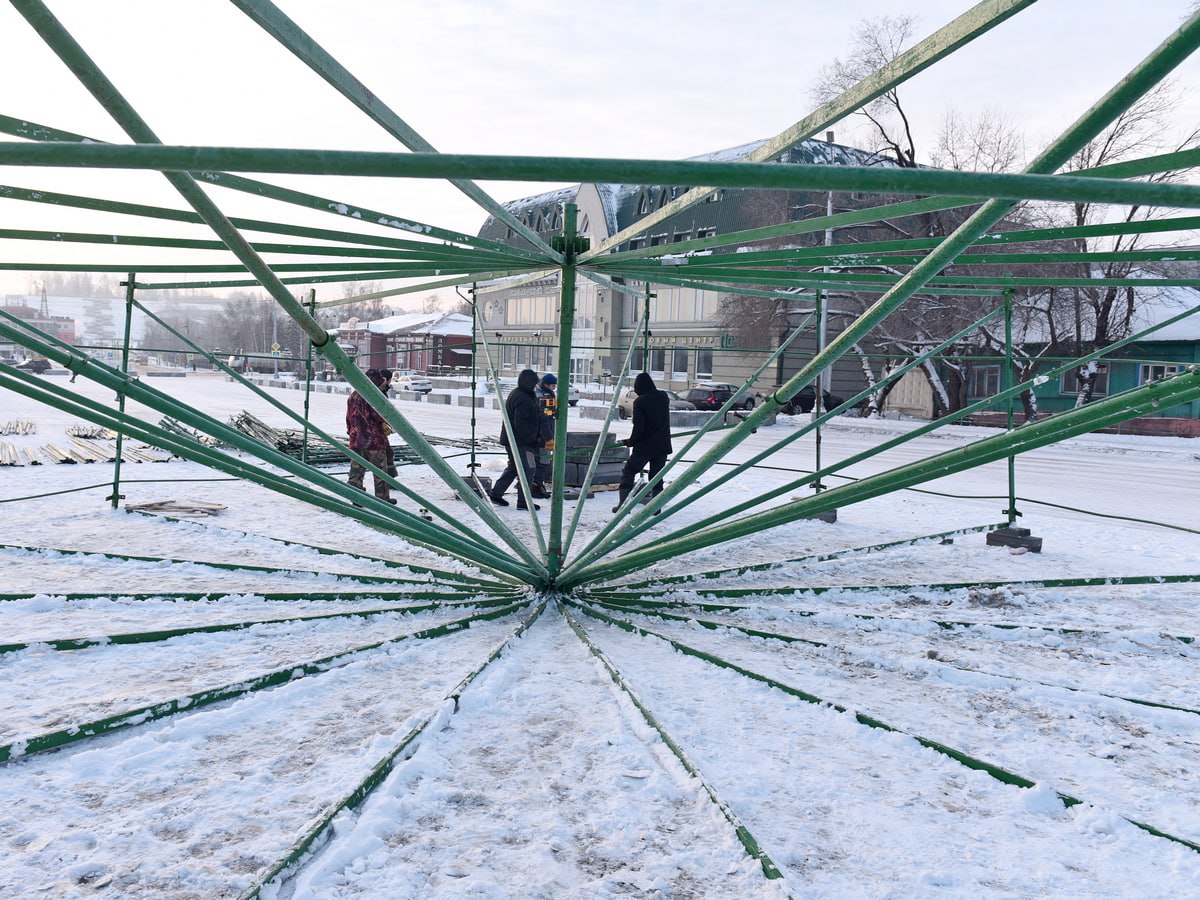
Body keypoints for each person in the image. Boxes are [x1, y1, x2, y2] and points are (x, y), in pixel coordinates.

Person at [614, 371, 672, 513]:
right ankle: (656, 507)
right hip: (662, 445)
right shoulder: (663, 397)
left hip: (645, 447)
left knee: (629, 471)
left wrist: (631, 441)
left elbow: (639, 427)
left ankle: (623, 504)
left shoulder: (640, 401)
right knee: (656, 475)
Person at [490, 369, 542, 510]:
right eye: (534, 384)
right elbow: (521, 423)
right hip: (521, 442)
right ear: (529, 383)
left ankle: (496, 493)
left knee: (514, 467)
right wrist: (531, 439)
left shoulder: (520, 394)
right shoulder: (523, 398)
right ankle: (523, 502)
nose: (535, 386)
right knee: (528, 469)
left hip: (514, 440)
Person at [346, 368, 396, 504]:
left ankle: (356, 498)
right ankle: (382, 499)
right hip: (373, 439)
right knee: (380, 471)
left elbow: (349, 417)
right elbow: (380, 416)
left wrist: (350, 432)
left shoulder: (353, 396)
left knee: (356, 470)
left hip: (356, 438)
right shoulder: (373, 396)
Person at [533, 372, 558, 495]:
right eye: (552, 385)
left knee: (540, 460)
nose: (554, 388)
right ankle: (536, 486)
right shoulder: (542, 397)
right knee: (543, 460)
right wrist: (548, 437)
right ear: (546, 384)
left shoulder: (547, 394)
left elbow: (549, 414)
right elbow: (545, 418)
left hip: (543, 432)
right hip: (542, 434)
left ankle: (533, 484)